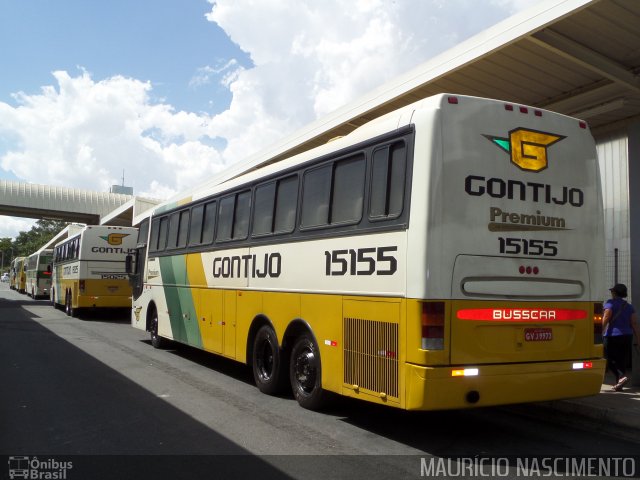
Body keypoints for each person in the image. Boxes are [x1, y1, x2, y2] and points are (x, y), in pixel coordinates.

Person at [602, 283, 640, 391]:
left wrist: (600, 330)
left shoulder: (610, 303)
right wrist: (638, 338)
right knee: (621, 360)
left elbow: (606, 316)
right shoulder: (629, 307)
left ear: (615, 292)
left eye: (612, 291)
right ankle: (619, 384)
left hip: (612, 336)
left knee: (609, 359)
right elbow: (634, 324)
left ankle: (621, 377)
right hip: (627, 336)